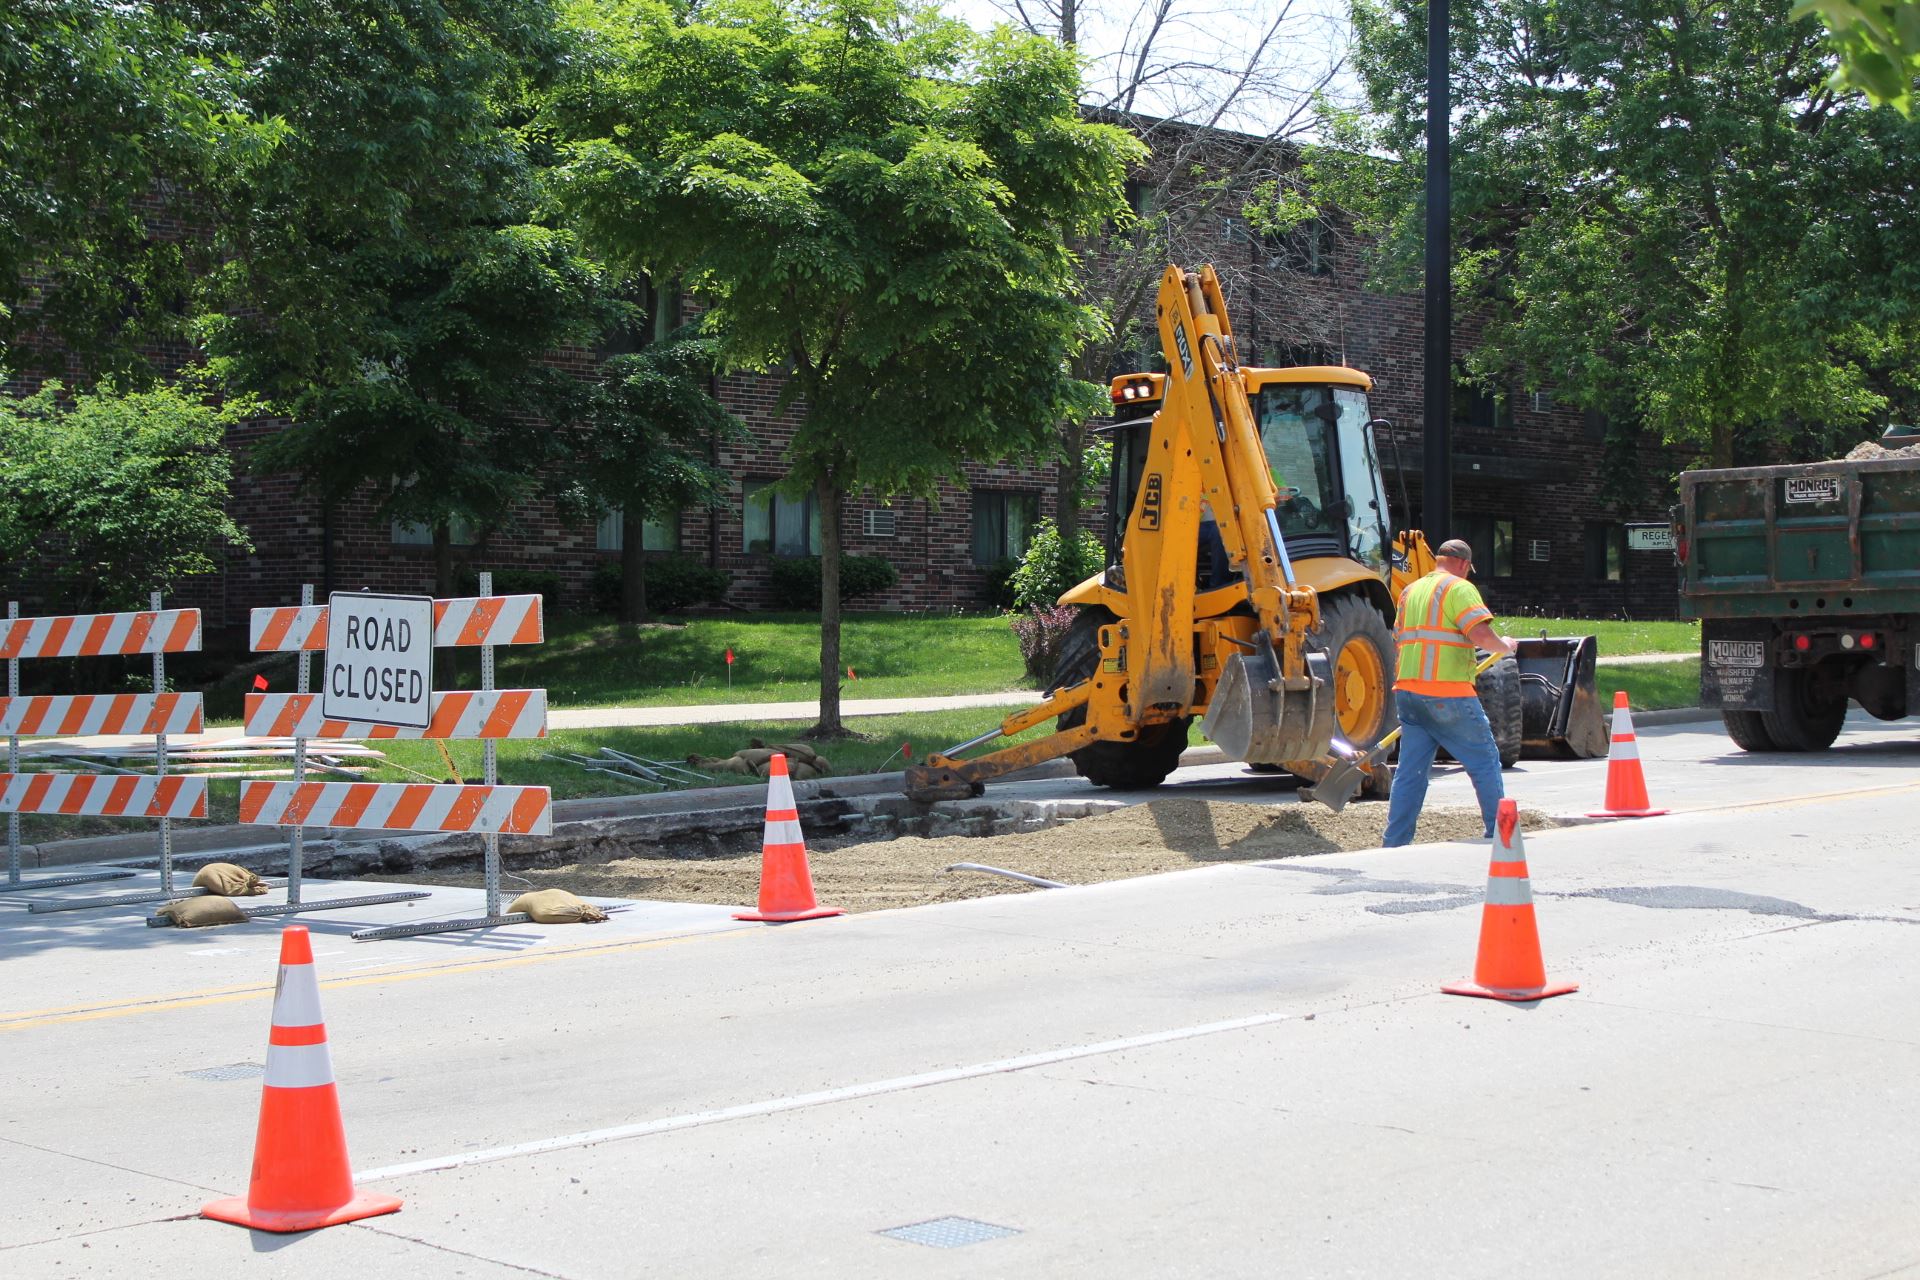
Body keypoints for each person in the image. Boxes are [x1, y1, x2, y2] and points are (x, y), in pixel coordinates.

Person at [1382, 538, 1516, 847]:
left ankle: (1396, 841)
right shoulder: (1460, 588)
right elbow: (1479, 633)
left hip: (1409, 692)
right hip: (1448, 694)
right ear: (1464, 564)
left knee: (1410, 773)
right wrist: (1505, 647)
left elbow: (1398, 638)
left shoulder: (1409, 591)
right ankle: (1502, 834)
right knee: (1484, 761)